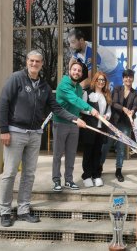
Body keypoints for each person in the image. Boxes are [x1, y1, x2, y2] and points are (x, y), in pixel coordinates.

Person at [0, 50, 86, 227]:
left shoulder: (44, 86)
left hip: (35, 134)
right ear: (27, 61)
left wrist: (75, 119)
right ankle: (5, 211)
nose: (34, 64)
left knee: (29, 174)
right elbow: (3, 103)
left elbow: (57, 108)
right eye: (31, 60)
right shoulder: (16, 79)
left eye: (37, 61)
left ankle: (23, 209)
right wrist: (4, 129)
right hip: (15, 132)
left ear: (42, 64)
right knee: (9, 174)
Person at [52, 61, 98, 192]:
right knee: (57, 154)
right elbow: (75, 100)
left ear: (81, 74)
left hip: (74, 124)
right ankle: (56, 180)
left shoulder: (78, 88)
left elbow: (79, 106)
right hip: (60, 123)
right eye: (74, 70)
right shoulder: (63, 85)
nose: (76, 72)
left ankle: (69, 180)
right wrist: (90, 109)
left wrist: (91, 112)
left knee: (71, 154)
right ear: (69, 71)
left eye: (79, 71)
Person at [100, 69, 137, 182]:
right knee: (106, 145)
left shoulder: (136, 93)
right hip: (114, 122)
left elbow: (136, 106)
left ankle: (118, 170)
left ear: (132, 78)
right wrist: (124, 108)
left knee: (121, 148)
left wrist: (132, 111)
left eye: (130, 77)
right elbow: (113, 103)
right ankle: (99, 166)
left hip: (126, 124)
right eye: (126, 77)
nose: (128, 79)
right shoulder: (117, 89)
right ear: (123, 79)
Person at [81, 71, 112, 187]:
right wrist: (91, 112)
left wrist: (106, 116)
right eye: (99, 79)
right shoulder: (87, 93)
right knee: (88, 152)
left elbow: (109, 111)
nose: (101, 82)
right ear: (95, 80)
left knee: (98, 152)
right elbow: (81, 108)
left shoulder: (107, 94)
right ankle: (87, 176)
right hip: (89, 128)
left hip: (101, 129)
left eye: (103, 80)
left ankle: (97, 175)